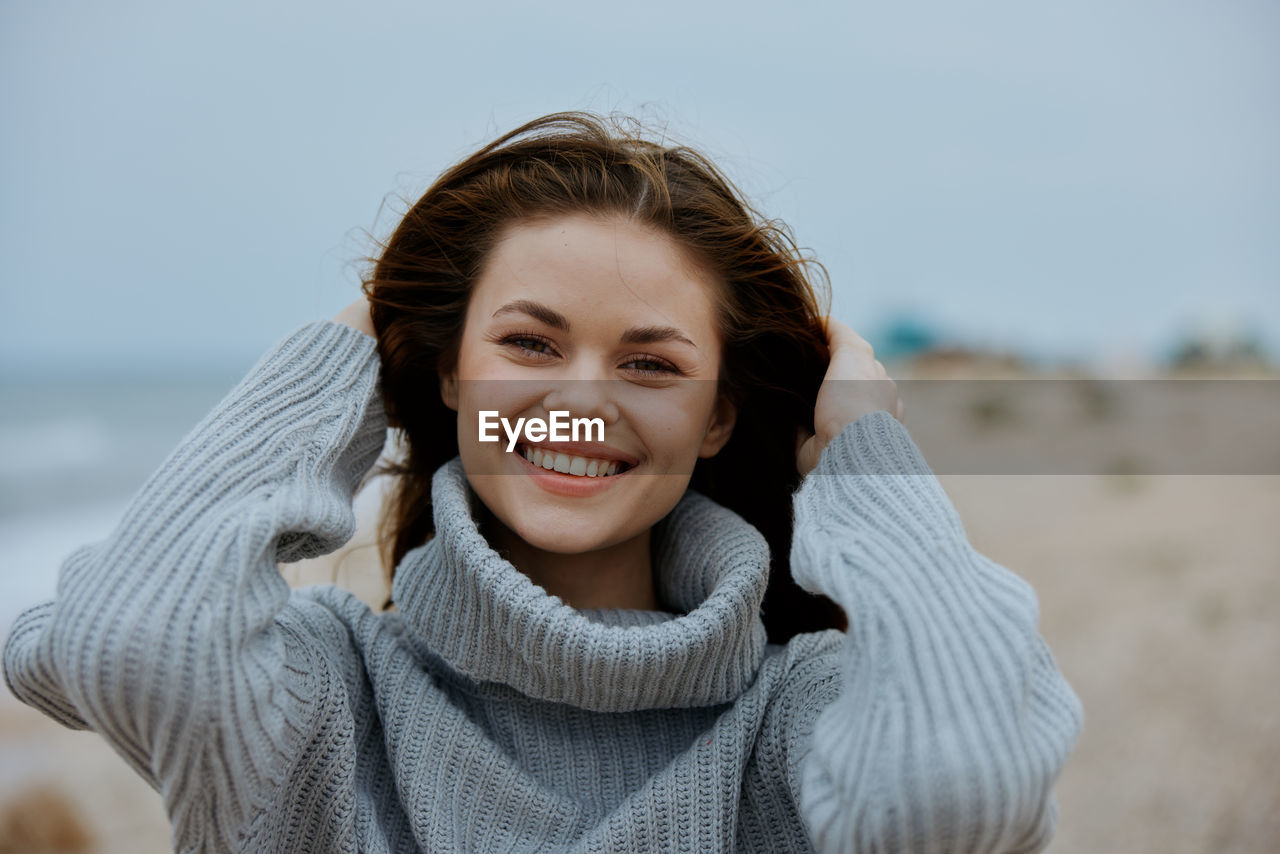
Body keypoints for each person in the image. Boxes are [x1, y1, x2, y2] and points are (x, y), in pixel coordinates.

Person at [3, 112, 1082, 852]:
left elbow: (963, 791)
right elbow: (125, 641)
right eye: (528, 343)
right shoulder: (329, 697)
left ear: (718, 417)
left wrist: (866, 452)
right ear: (441, 369)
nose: (583, 401)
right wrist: (345, 353)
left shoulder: (797, 718)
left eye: (650, 363)